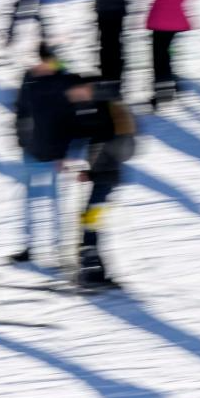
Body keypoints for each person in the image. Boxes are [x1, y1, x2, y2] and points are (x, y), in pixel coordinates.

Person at [66, 76, 136, 287]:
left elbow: (105, 147)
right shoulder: (104, 107)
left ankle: (92, 272)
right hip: (105, 177)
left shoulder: (103, 109)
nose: (78, 95)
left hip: (106, 178)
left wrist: (90, 172)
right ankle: (94, 270)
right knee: (90, 221)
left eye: (81, 90)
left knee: (90, 222)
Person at [10, 43, 76, 263]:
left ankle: (58, 248)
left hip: (54, 152)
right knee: (28, 200)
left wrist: (64, 152)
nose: (50, 64)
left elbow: (68, 118)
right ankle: (29, 246)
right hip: (31, 150)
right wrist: (21, 140)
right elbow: (20, 110)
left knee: (56, 200)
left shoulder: (62, 80)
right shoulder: (29, 78)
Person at [134, 0, 191, 107]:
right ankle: (173, 85)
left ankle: (161, 94)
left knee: (158, 56)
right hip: (177, 13)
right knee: (166, 51)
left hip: (161, 15)